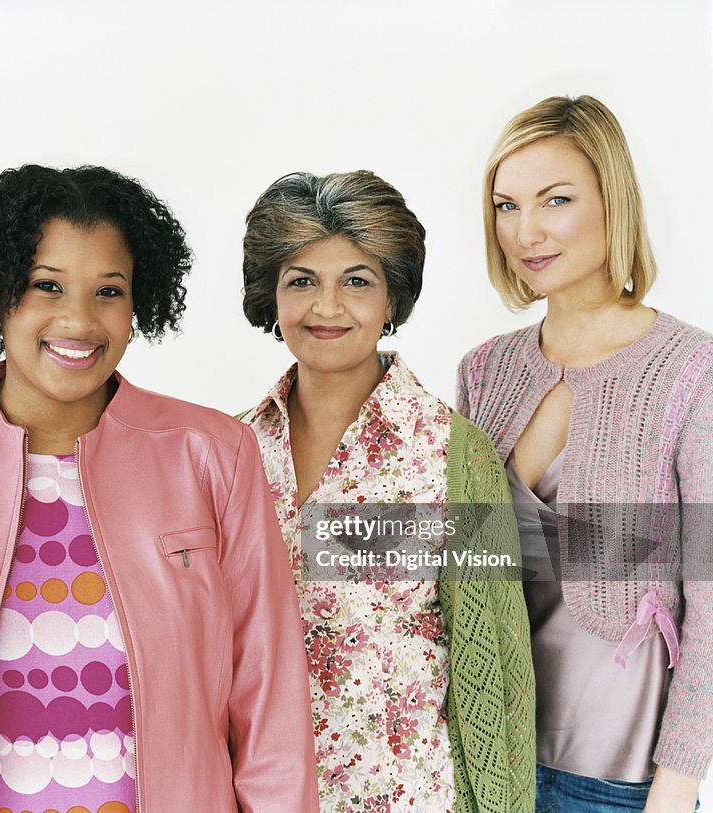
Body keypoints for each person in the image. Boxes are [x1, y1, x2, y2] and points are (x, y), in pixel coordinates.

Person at [0, 164, 318, 813]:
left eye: (109, 291)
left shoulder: (213, 456)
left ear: (139, 303)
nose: (79, 319)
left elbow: (270, 708)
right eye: (47, 285)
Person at [237, 170, 534, 813]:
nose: (327, 306)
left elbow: (498, 674)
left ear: (392, 298)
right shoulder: (229, 451)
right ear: (270, 294)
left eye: (357, 281)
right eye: (301, 280)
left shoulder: (455, 457)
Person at [458, 94, 713, 812]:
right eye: (506, 206)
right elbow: (463, 559)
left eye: (555, 200)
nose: (524, 230)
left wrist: (680, 779)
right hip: (489, 761)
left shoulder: (690, 370)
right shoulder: (485, 371)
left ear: (614, 201)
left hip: (622, 780)